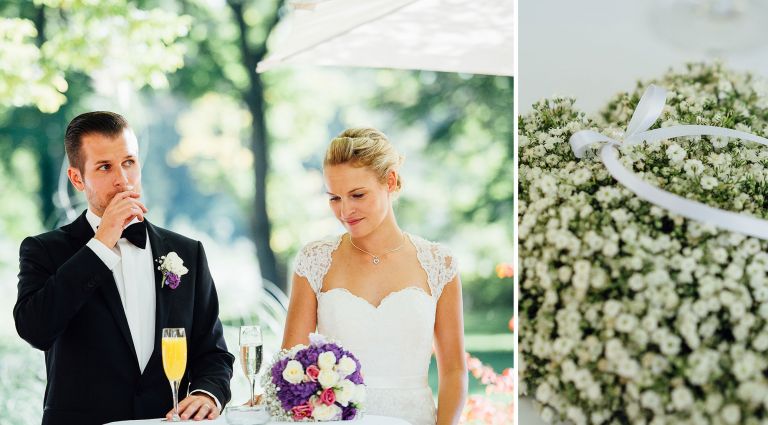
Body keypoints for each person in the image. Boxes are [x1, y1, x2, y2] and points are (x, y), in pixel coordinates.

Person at [13, 112, 234, 425]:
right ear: (77, 179)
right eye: (105, 167)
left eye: (129, 162)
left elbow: (213, 353)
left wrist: (207, 393)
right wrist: (101, 245)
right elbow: (35, 329)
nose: (123, 179)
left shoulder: (187, 252)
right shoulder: (44, 250)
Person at [282, 128, 467, 425]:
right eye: (334, 198)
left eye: (357, 195)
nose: (345, 211)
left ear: (390, 181)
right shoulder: (315, 259)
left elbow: (454, 369)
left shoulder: (439, 263)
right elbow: (291, 363)